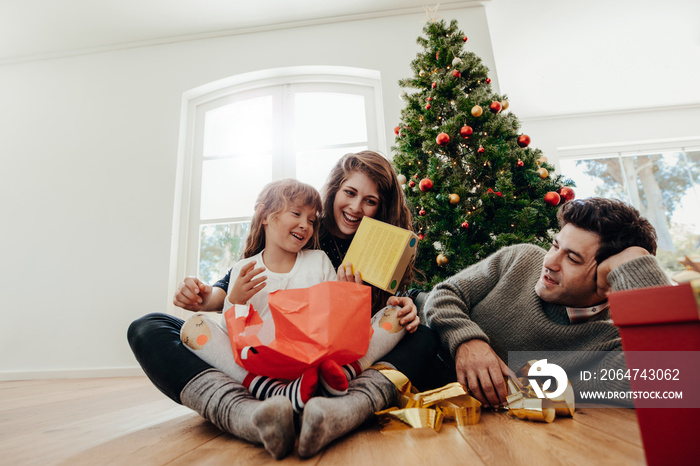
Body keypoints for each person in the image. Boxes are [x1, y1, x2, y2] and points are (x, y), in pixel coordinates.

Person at [128, 151, 441, 459]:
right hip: (264, 358)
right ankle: (246, 412)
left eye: (370, 201)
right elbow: (230, 294)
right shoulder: (299, 235)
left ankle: (344, 409)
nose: (356, 207)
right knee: (148, 328)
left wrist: (405, 307)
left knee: (423, 337)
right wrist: (201, 295)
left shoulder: (376, 248)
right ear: (334, 190)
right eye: (349, 193)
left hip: (336, 361)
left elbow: (381, 316)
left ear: (381, 209)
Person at [179, 178, 409, 414]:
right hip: (264, 361)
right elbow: (233, 336)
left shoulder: (318, 260)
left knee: (397, 316)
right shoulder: (245, 268)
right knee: (194, 326)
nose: (305, 225)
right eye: (296, 213)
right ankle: (272, 389)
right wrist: (236, 300)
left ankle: (340, 374)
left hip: (317, 355)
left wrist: (345, 295)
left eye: (311, 220)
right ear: (265, 215)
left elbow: (338, 326)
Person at [421, 197, 671, 409]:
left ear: (606, 279)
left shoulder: (607, 343)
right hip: (414, 371)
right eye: (555, 245)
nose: (550, 262)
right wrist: (467, 341)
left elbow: (670, 379)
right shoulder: (520, 258)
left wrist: (634, 261)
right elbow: (445, 294)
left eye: (572, 259)